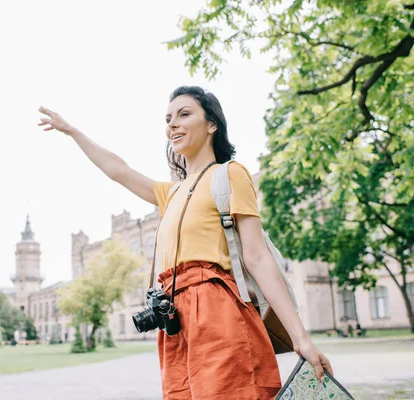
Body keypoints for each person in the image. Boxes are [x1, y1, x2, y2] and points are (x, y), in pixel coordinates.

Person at [38, 86, 333, 399]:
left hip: (219, 313)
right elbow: (118, 170)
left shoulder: (230, 175)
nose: (172, 124)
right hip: (175, 322)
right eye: (168, 119)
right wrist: (71, 131)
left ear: (211, 124)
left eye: (184, 114)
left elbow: (257, 257)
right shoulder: (171, 193)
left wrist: (301, 339)